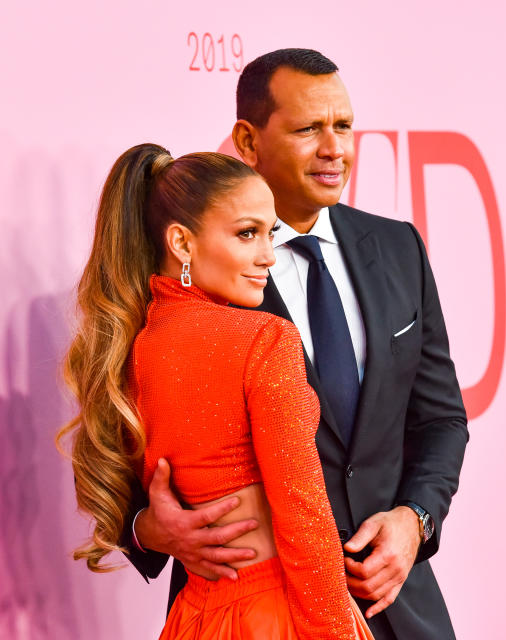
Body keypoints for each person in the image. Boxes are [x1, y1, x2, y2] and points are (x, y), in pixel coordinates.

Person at [124, 49, 469, 640]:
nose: (334, 148)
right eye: (309, 129)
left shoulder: (398, 248)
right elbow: (130, 448)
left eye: (343, 126)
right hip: (259, 612)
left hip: (399, 604)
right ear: (248, 139)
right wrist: (148, 530)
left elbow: (441, 418)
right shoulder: (193, 280)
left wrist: (415, 521)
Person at [58, 143, 373, 638]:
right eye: (247, 234)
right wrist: (336, 630)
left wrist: (147, 529)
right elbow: (302, 511)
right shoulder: (263, 339)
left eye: (269, 234)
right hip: (277, 612)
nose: (268, 255)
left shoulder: (133, 350)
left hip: (194, 618)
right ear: (181, 243)